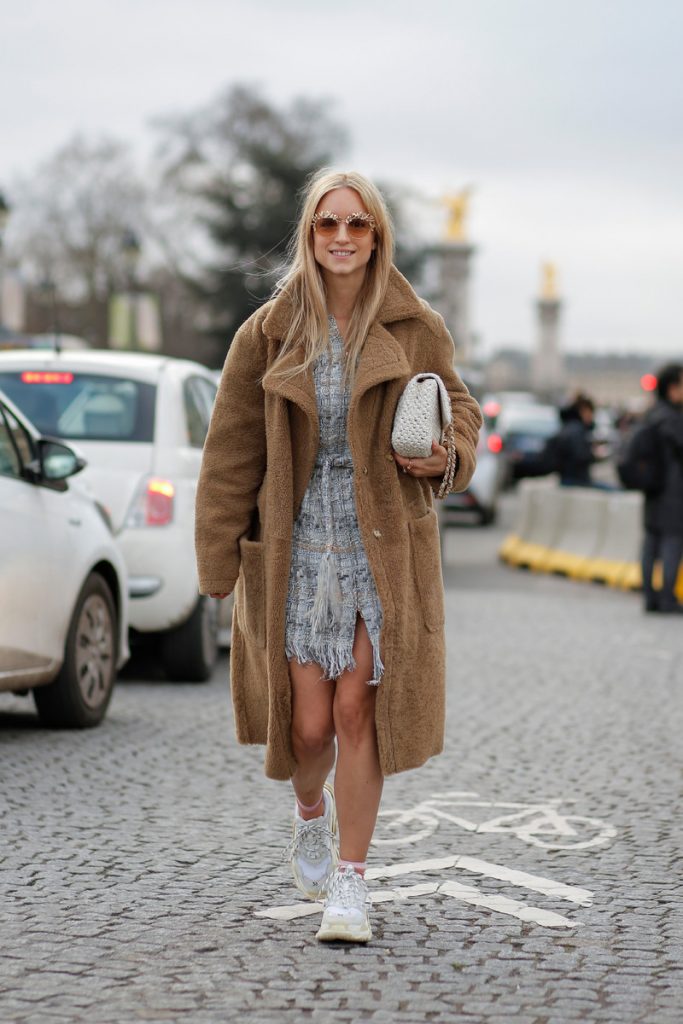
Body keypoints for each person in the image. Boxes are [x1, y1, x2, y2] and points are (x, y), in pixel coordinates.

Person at [194, 169, 482, 943]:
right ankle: (309, 814)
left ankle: (351, 885)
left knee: (360, 709)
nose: (344, 238)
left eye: (359, 225)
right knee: (309, 728)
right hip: (294, 547)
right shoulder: (266, 331)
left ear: (377, 236)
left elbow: (459, 406)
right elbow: (229, 452)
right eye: (329, 225)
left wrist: (448, 455)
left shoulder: (413, 323)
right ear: (310, 235)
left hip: (379, 544)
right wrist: (218, 559)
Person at [640, 363, 683, 614]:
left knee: (650, 543)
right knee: (672, 543)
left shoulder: (652, 415)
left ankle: (649, 596)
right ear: (672, 388)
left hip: (653, 489)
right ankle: (667, 597)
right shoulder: (674, 419)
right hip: (673, 491)